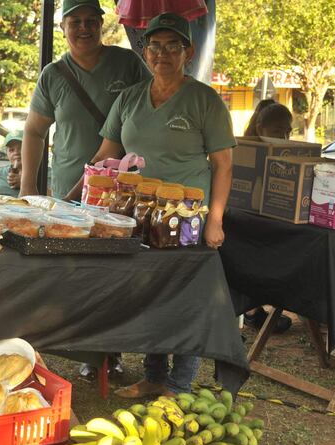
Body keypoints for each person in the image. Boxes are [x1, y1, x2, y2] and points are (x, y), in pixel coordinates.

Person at [86, 12, 236, 398]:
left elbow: (223, 165)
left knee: (188, 299)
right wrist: (78, 195)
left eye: (173, 46)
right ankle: (153, 375)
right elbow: (106, 153)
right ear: (144, 50)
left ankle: (179, 383)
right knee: (150, 293)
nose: (162, 53)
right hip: (137, 215)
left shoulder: (205, 100)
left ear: (189, 51)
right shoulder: (129, 98)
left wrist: (215, 220)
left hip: (188, 220)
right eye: (154, 46)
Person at [20, 0, 150, 199]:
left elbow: (154, 109)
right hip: (67, 192)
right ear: (63, 27)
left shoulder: (127, 63)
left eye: (91, 21)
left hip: (120, 190)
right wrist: (27, 186)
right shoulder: (52, 75)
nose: (84, 28)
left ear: (101, 23)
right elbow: (34, 131)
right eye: (75, 22)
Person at [243, 101, 294, 333]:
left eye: (288, 131)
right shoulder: (245, 149)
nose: (283, 136)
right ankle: (252, 311)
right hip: (249, 221)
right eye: (277, 131)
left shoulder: (289, 151)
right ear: (260, 127)